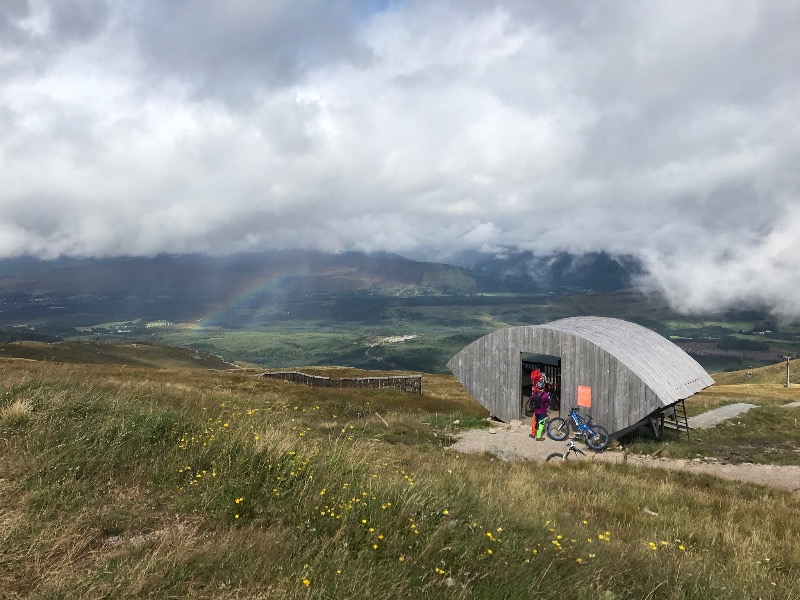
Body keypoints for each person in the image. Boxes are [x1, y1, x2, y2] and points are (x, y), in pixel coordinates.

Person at [530, 376, 550, 440]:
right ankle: (538, 437)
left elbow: (532, 399)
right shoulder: (546, 395)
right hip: (542, 411)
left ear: (537, 387)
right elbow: (549, 402)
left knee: (534, 422)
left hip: (535, 411)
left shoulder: (534, 393)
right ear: (544, 387)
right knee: (540, 424)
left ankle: (533, 434)